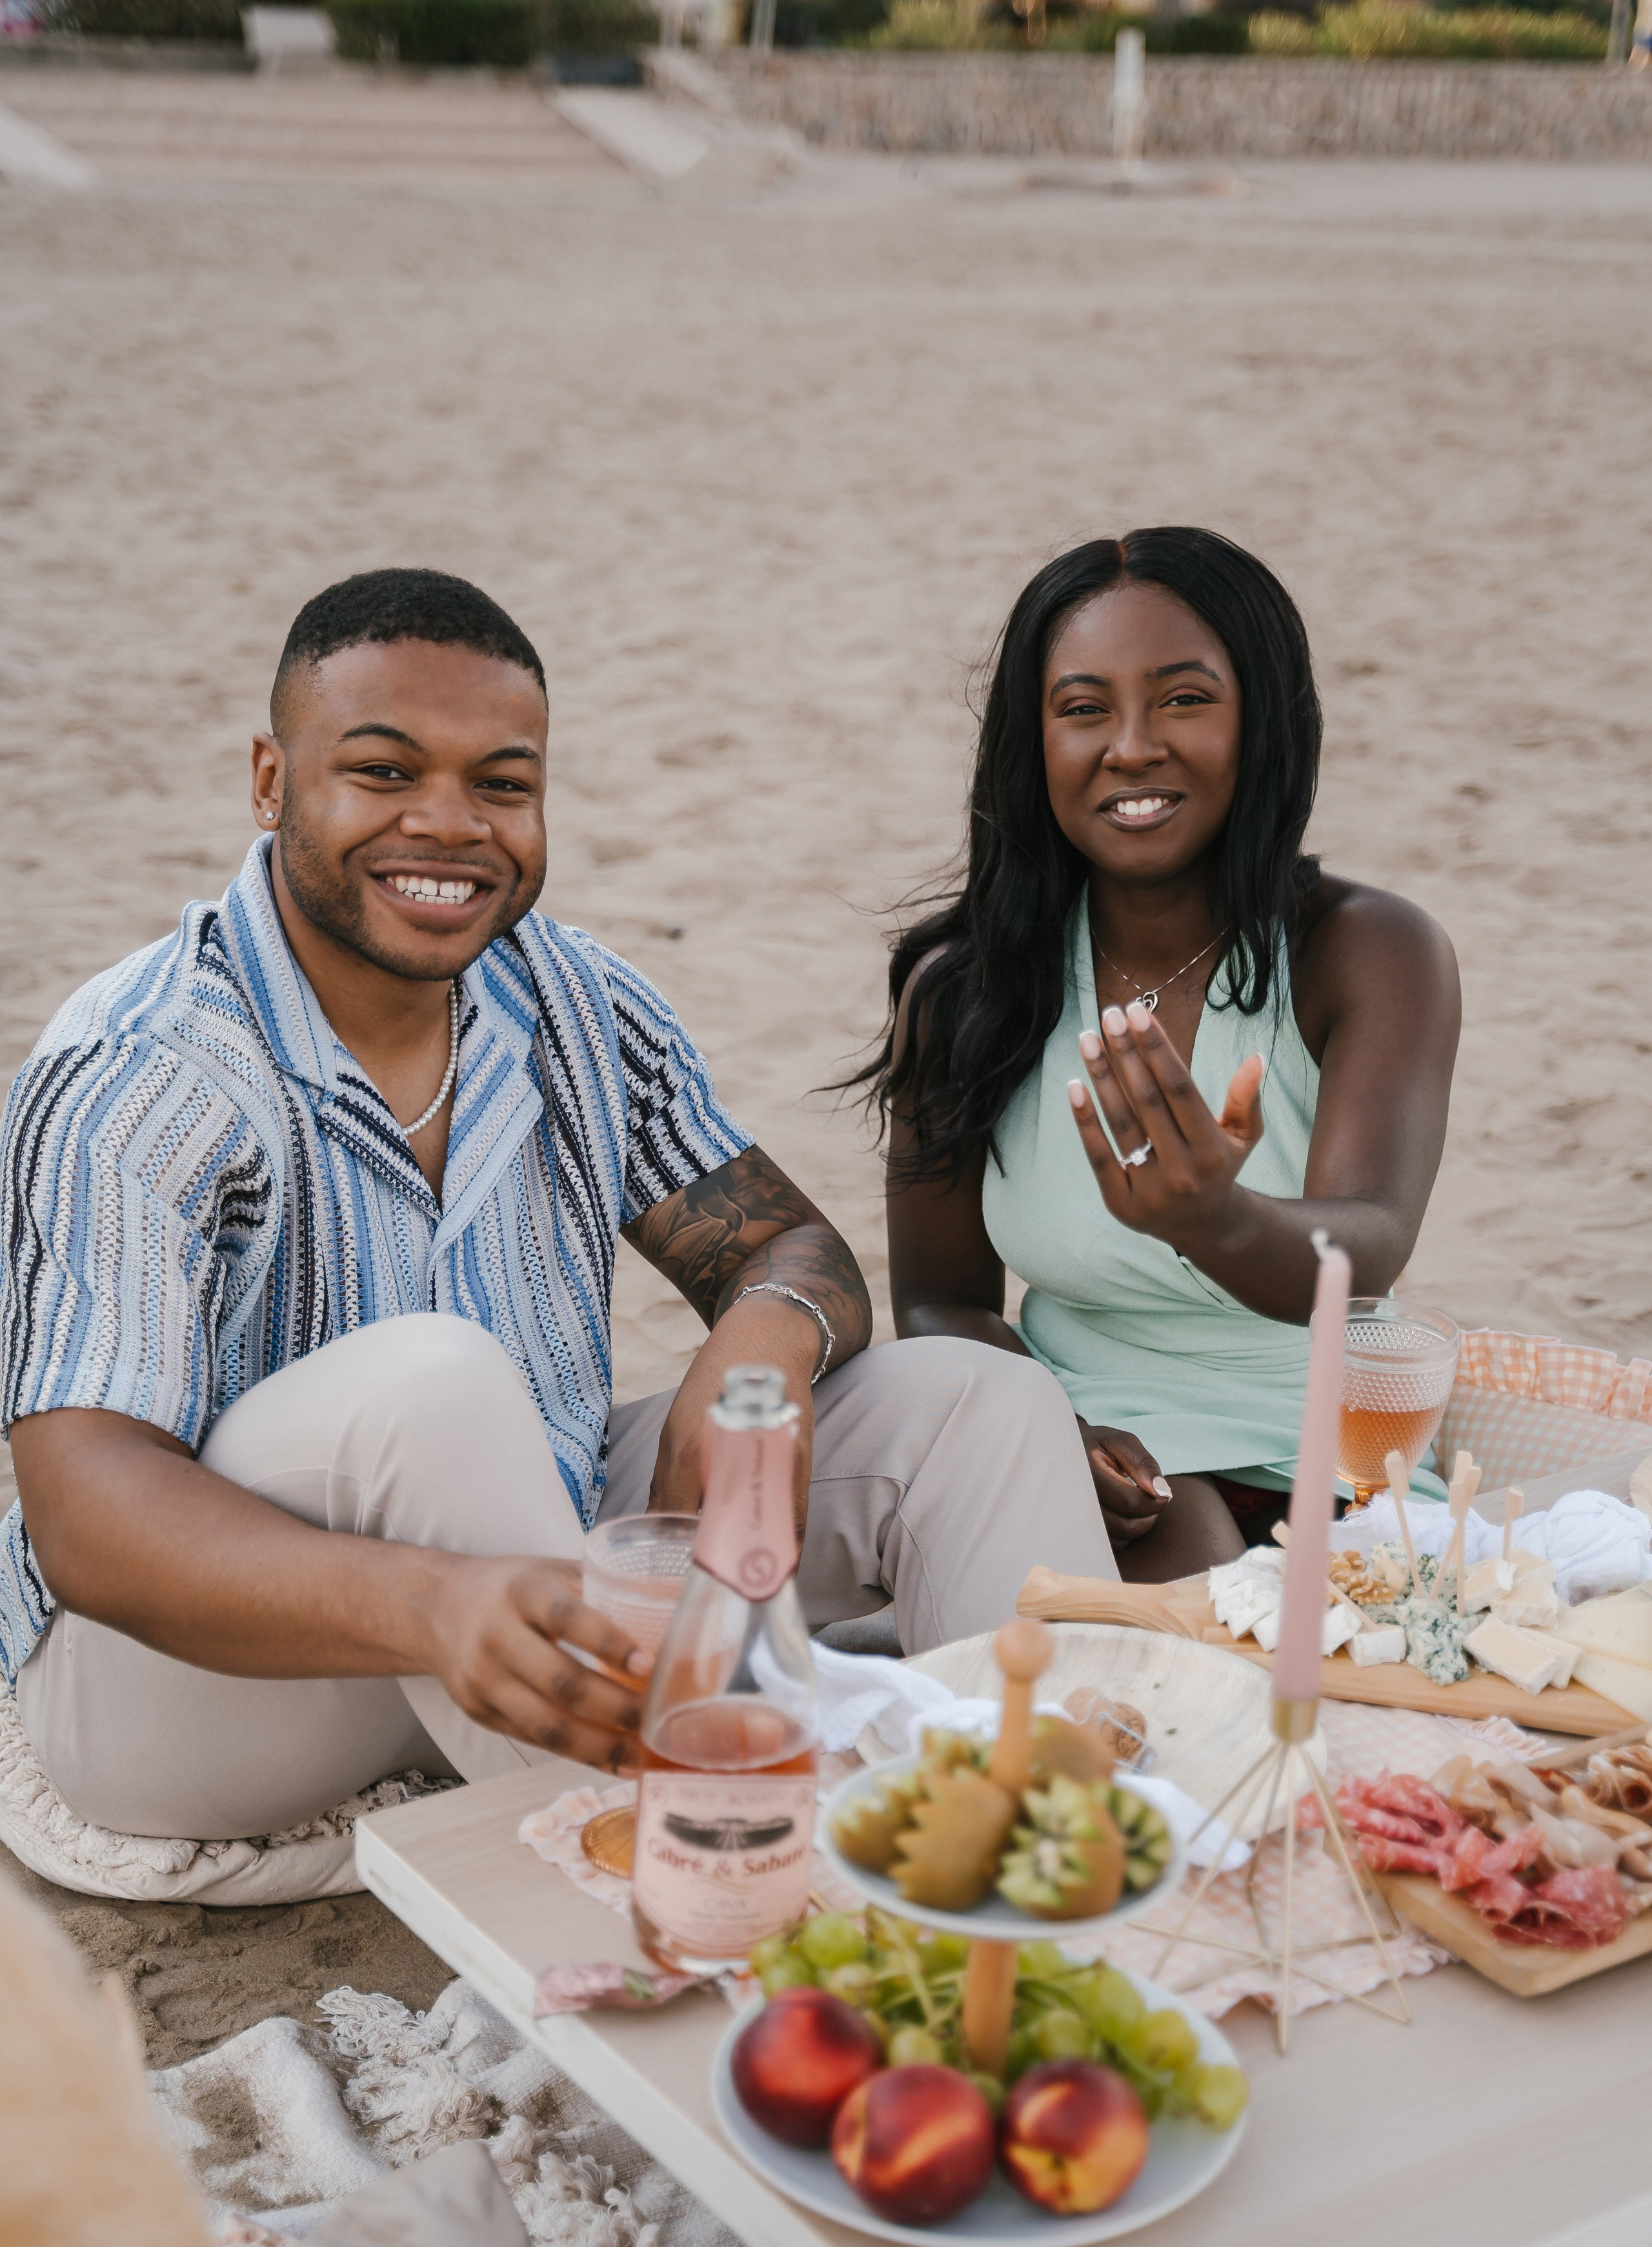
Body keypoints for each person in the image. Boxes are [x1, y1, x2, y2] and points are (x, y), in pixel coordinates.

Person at [0, 569, 1120, 1846]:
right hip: (189, 1690)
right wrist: (433, 1602)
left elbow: (789, 1247)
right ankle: (727, 1893)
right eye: (381, 773)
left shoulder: (573, 999)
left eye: (501, 783)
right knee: (431, 1382)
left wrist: (762, 1344)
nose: (448, 823)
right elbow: (85, 1514)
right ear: (270, 782)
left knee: (979, 1400)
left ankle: (1062, 1850)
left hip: (536, 1576)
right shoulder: (143, 1070)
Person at [854, 529, 1460, 1583]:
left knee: (1252, 1624)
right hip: (1092, 1445)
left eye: (1184, 699)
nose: (1131, 747)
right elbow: (942, 1303)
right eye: (1083, 709)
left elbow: (1368, 1250)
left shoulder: (1368, 950)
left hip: (1317, 1445)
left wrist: (1212, 1219)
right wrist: (1047, 1429)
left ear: (1263, 718)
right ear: (1030, 744)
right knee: (1179, 1581)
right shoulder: (961, 989)